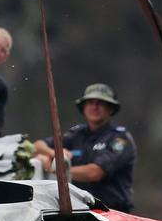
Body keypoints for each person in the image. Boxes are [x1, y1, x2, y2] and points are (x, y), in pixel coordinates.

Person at [32, 83, 136, 212]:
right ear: (83, 107)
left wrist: (54, 170)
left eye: (101, 103)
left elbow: (95, 173)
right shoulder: (76, 134)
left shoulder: (120, 138)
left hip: (112, 212)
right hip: (80, 211)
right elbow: (37, 146)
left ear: (110, 108)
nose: (95, 107)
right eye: (90, 102)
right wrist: (54, 154)